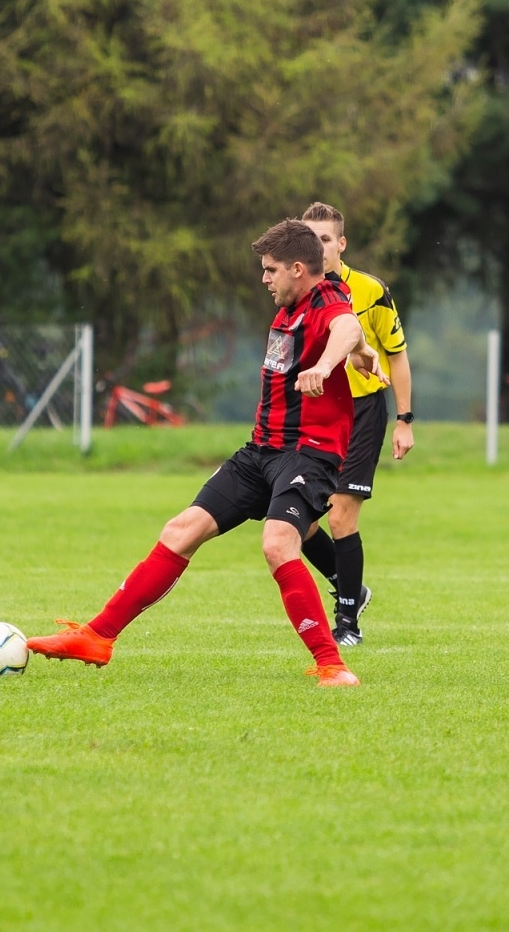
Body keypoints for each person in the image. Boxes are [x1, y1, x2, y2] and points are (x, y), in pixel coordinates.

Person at [26, 219, 386, 687]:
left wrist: (329, 362)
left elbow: (346, 325)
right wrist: (360, 352)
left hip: (307, 454)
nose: (264, 278)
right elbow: (352, 334)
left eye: (271, 269)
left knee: (278, 543)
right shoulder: (291, 307)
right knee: (181, 530)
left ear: (298, 269)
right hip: (261, 450)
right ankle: (97, 636)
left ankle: (332, 666)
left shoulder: (323, 297)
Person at [295, 202, 414, 646]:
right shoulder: (296, 289)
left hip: (362, 412)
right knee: (296, 518)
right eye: (310, 239)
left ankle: (348, 625)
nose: (318, 247)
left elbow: (397, 356)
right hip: (313, 415)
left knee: (342, 515)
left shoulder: (370, 290)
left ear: (341, 244)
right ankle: (351, 587)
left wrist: (404, 419)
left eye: (325, 239)